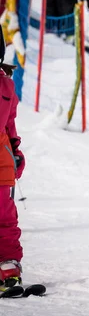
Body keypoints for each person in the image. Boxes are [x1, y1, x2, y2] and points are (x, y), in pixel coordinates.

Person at [0, 29, 26, 292]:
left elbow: (9, 125)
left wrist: (16, 152)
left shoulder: (6, 85)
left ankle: (8, 266)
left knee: (5, 217)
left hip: (2, 161)